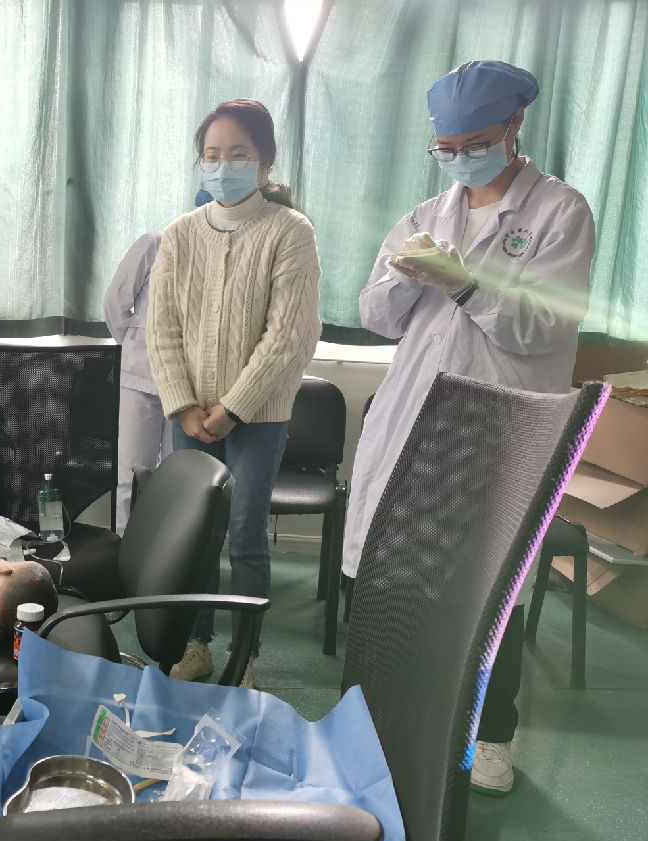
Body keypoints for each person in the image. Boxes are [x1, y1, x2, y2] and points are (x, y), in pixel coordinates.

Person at [342, 61, 595, 796]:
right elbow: (374, 316)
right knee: (401, 570)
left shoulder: (560, 212)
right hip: (417, 414)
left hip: (500, 419)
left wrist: (466, 284)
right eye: (446, 148)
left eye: (475, 143)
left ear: (515, 125)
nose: (460, 159)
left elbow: (544, 325)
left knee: (491, 581)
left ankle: (492, 734)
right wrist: (405, 273)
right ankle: (392, 716)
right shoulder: (427, 213)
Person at [147, 99, 322, 689]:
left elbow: (290, 335)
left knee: (245, 535)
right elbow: (162, 327)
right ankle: (195, 644)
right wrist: (184, 406)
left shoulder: (290, 232)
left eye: (239, 154)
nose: (224, 166)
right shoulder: (180, 234)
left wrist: (233, 409)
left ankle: (244, 655)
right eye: (212, 155)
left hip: (259, 415)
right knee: (195, 535)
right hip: (190, 415)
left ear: (265, 162)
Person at [104, 191, 213, 535]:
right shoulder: (155, 243)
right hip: (141, 377)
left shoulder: (223, 258)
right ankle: (124, 546)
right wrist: (135, 342)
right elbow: (115, 303)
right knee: (131, 472)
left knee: (175, 476)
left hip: (188, 388)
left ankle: (165, 551)